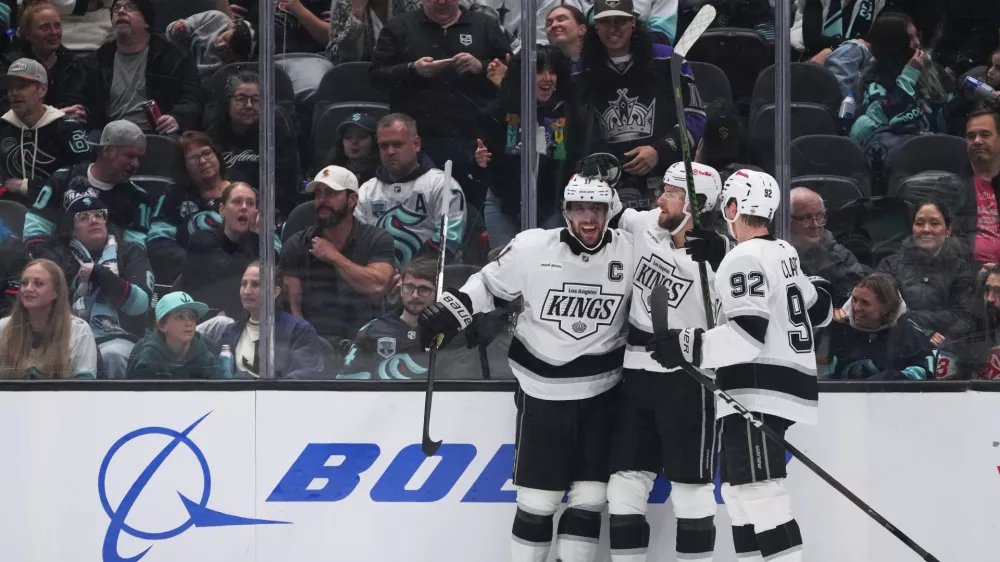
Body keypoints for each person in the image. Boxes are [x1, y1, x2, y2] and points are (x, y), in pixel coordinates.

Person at [419, 175, 635, 562]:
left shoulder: (630, 251)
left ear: (610, 211)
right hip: (542, 395)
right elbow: (488, 285)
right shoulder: (533, 246)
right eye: (580, 209)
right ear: (566, 212)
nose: (589, 218)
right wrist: (450, 312)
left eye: (597, 209)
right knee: (538, 499)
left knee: (590, 497)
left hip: (603, 394)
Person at [648, 169, 833, 562]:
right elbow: (820, 310)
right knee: (737, 494)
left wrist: (686, 345)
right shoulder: (783, 251)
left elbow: (746, 336)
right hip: (784, 382)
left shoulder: (743, 258)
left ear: (731, 207)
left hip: (757, 387)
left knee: (759, 492)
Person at [608, 161, 726, 562]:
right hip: (635, 372)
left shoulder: (720, 259)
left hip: (688, 380)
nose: (661, 198)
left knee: (691, 487)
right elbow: (601, 209)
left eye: (673, 193)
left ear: (699, 203)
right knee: (624, 483)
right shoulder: (644, 223)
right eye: (664, 189)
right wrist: (603, 177)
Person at [369, 0, 511, 210]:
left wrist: (481, 66)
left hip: (475, 141)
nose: (442, 2)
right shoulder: (399, 26)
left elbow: (512, 70)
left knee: (476, 215)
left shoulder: (485, 25)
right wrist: (412, 69)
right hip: (420, 143)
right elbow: (375, 77)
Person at [574, 0, 706, 201]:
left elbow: (695, 116)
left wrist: (659, 150)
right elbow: (574, 129)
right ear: (595, 26)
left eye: (620, 20)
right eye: (606, 22)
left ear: (633, 22)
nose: (613, 28)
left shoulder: (669, 60)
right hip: (604, 186)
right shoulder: (580, 72)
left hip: (665, 181)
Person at [476, 46, 591, 249]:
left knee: (547, 270)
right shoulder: (498, 110)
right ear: (522, 76)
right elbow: (475, 149)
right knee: (505, 269)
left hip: (553, 207)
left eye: (552, 71)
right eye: (539, 71)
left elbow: (578, 160)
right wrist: (477, 157)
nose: (547, 78)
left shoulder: (573, 113)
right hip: (503, 206)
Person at [41, 193, 153, 379]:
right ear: (72, 228)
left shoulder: (131, 252)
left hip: (121, 336)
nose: (94, 220)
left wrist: (102, 275)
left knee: (112, 355)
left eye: (99, 215)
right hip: (67, 338)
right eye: (84, 217)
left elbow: (140, 305)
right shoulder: (56, 256)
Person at [281, 165, 395, 344]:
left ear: (352, 199)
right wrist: (308, 344)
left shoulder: (377, 239)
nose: (322, 200)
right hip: (314, 342)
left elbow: (378, 286)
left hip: (366, 342)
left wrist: (334, 256)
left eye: (331, 193)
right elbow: (293, 310)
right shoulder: (297, 244)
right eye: (318, 194)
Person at [18, 120, 157, 253]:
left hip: (110, 268)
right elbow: (37, 224)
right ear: (107, 150)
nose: (135, 164)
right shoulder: (63, 179)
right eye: (130, 156)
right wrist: (42, 257)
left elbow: (135, 249)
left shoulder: (138, 198)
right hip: (57, 263)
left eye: (139, 159)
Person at [355, 113, 466, 268]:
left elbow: (448, 241)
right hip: (381, 279)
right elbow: (358, 245)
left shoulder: (443, 185)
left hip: (433, 280)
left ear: (416, 144)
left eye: (397, 144)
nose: (390, 152)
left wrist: (410, 275)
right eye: (384, 146)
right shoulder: (366, 191)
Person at [77, 0, 204, 133]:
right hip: (108, 134)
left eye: (130, 7)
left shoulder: (172, 56)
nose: (120, 11)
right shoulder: (97, 59)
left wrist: (177, 117)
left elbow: (193, 97)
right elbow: (78, 97)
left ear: (147, 21)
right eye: (116, 9)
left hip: (157, 132)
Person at [848, 12, 951, 168]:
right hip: (894, 155)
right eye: (910, 38)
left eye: (917, 36)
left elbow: (946, 110)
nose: (917, 43)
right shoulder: (873, 77)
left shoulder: (933, 70)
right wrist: (910, 74)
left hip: (935, 145)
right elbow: (893, 116)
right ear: (894, 44)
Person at [877, 201, 975, 342]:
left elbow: (962, 315)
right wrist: (922, 331)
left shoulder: (960, 269)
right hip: (897, 342)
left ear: (948, 231)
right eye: (920, 223)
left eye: (934, 223)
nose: (926, 229)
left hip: (946, 344)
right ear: (912, 228)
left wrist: (909, 318)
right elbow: (881, 307)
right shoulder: (890, 265)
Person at [207, 70, 301, 217]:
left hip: (268, 210)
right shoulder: (214, 131)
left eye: (256, 100)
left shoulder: (276, 129)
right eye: (241, 99)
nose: (249, 105)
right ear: (227, 102)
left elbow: (286, 182)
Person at [0, 58, 91, 198]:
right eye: (11, 87)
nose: (14, 93)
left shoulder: (68, 130)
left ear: (42, 89)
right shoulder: (3, 128)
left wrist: (27, 186)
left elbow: (84, 181)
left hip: (53, 211)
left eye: (22, 86)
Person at [219, 261, 325, 379]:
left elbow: (305, 376)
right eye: (244, 284)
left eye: (256, 284)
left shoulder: (299, 330)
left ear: (275, 292)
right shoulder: (231, 331)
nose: (247, 291)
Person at [148, 131, 230, 281]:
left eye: (207, 153)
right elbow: (158, 242)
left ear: (217, 155)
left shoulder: (241, 193)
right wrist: (197, 265)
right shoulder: (173, 195)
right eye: (193, 159)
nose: (203, 161)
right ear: (184, 166)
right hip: (189, 277)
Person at [338, 256, 438, 379]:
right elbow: (349, 384)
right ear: (401, 288)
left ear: (439, 292)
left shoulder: (448, 333)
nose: (415, 295)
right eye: (409, 287)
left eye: (424, 289)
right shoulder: (373, 329)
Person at [825, 273, 938, 380]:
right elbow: (823, 374)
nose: (856, 308)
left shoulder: (909, 333)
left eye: (865, 303)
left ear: (886, 307)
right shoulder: (841, 329)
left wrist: (888, 379)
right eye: (854, 300)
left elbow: (925, 373)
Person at [0, 258, 98, 379]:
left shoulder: (79, 330)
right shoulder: (3, 327)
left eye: (39, 283)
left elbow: (85, 386)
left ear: (56, 292)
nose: (28, 289)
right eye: (24, 283)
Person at [181, 182, 265, 319]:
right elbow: (233, 277)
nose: (244, 207)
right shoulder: (202, 240)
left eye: (250, 203)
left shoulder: (257, 243)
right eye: (237, 202)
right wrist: (252, 235)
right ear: (222, 209)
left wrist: (256, 237)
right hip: (201, 323)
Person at [2, 1, 87, 117]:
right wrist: (53, 116)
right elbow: (5, 109)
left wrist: (80, 112)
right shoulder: (9, 64)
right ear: (27, 34)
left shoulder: (73, 63)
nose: (54, 32)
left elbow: (85, 105)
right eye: (45, 27)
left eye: (57, 26)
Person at [789, 187, 866, 306]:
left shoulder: (840, 258)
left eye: (819, 216)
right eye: (806, 218)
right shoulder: (770, 254)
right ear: (787, 220)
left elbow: (855, 304)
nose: (815, 224)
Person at [126, 291, 224, 379]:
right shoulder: (145, 357)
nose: (189, 323)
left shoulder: (208, 351)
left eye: (192, 317)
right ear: (162, 325)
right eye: (180, 317)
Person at [165, 10, 257, 80]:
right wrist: (180, 28)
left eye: (226, 51)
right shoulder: (215, 18)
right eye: (224, 38)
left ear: (235, 60)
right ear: (230, 26)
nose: (219, 45)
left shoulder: (225, 74)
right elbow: (172, 31)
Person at [326, 0, 421, 64]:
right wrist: (356, 17)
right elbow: (335, 58)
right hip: (360, 81)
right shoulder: (344, 3)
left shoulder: (412, 3)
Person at [791, 0, 885, 59]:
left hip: (858, 62)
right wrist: (855, 45)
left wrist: (833, 49)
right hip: (812, 55)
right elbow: (811, 39)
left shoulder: (879, 3)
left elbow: (875, 44)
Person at [230, 0, 331, 55]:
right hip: (253, 57)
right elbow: (228, 28)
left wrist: (298, 9)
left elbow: (329, 38)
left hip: (305, 59)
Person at [966, 110, 1000, 267]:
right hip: (968, 271)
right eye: (971, 136)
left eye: (985, 135)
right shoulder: (952, 185)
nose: (977, 141)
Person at [324, 112, 379, 186]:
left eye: (362, 136)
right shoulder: (330, 173)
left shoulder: (383, 174)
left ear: (374, 141)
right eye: (348, 137)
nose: (354, 141)